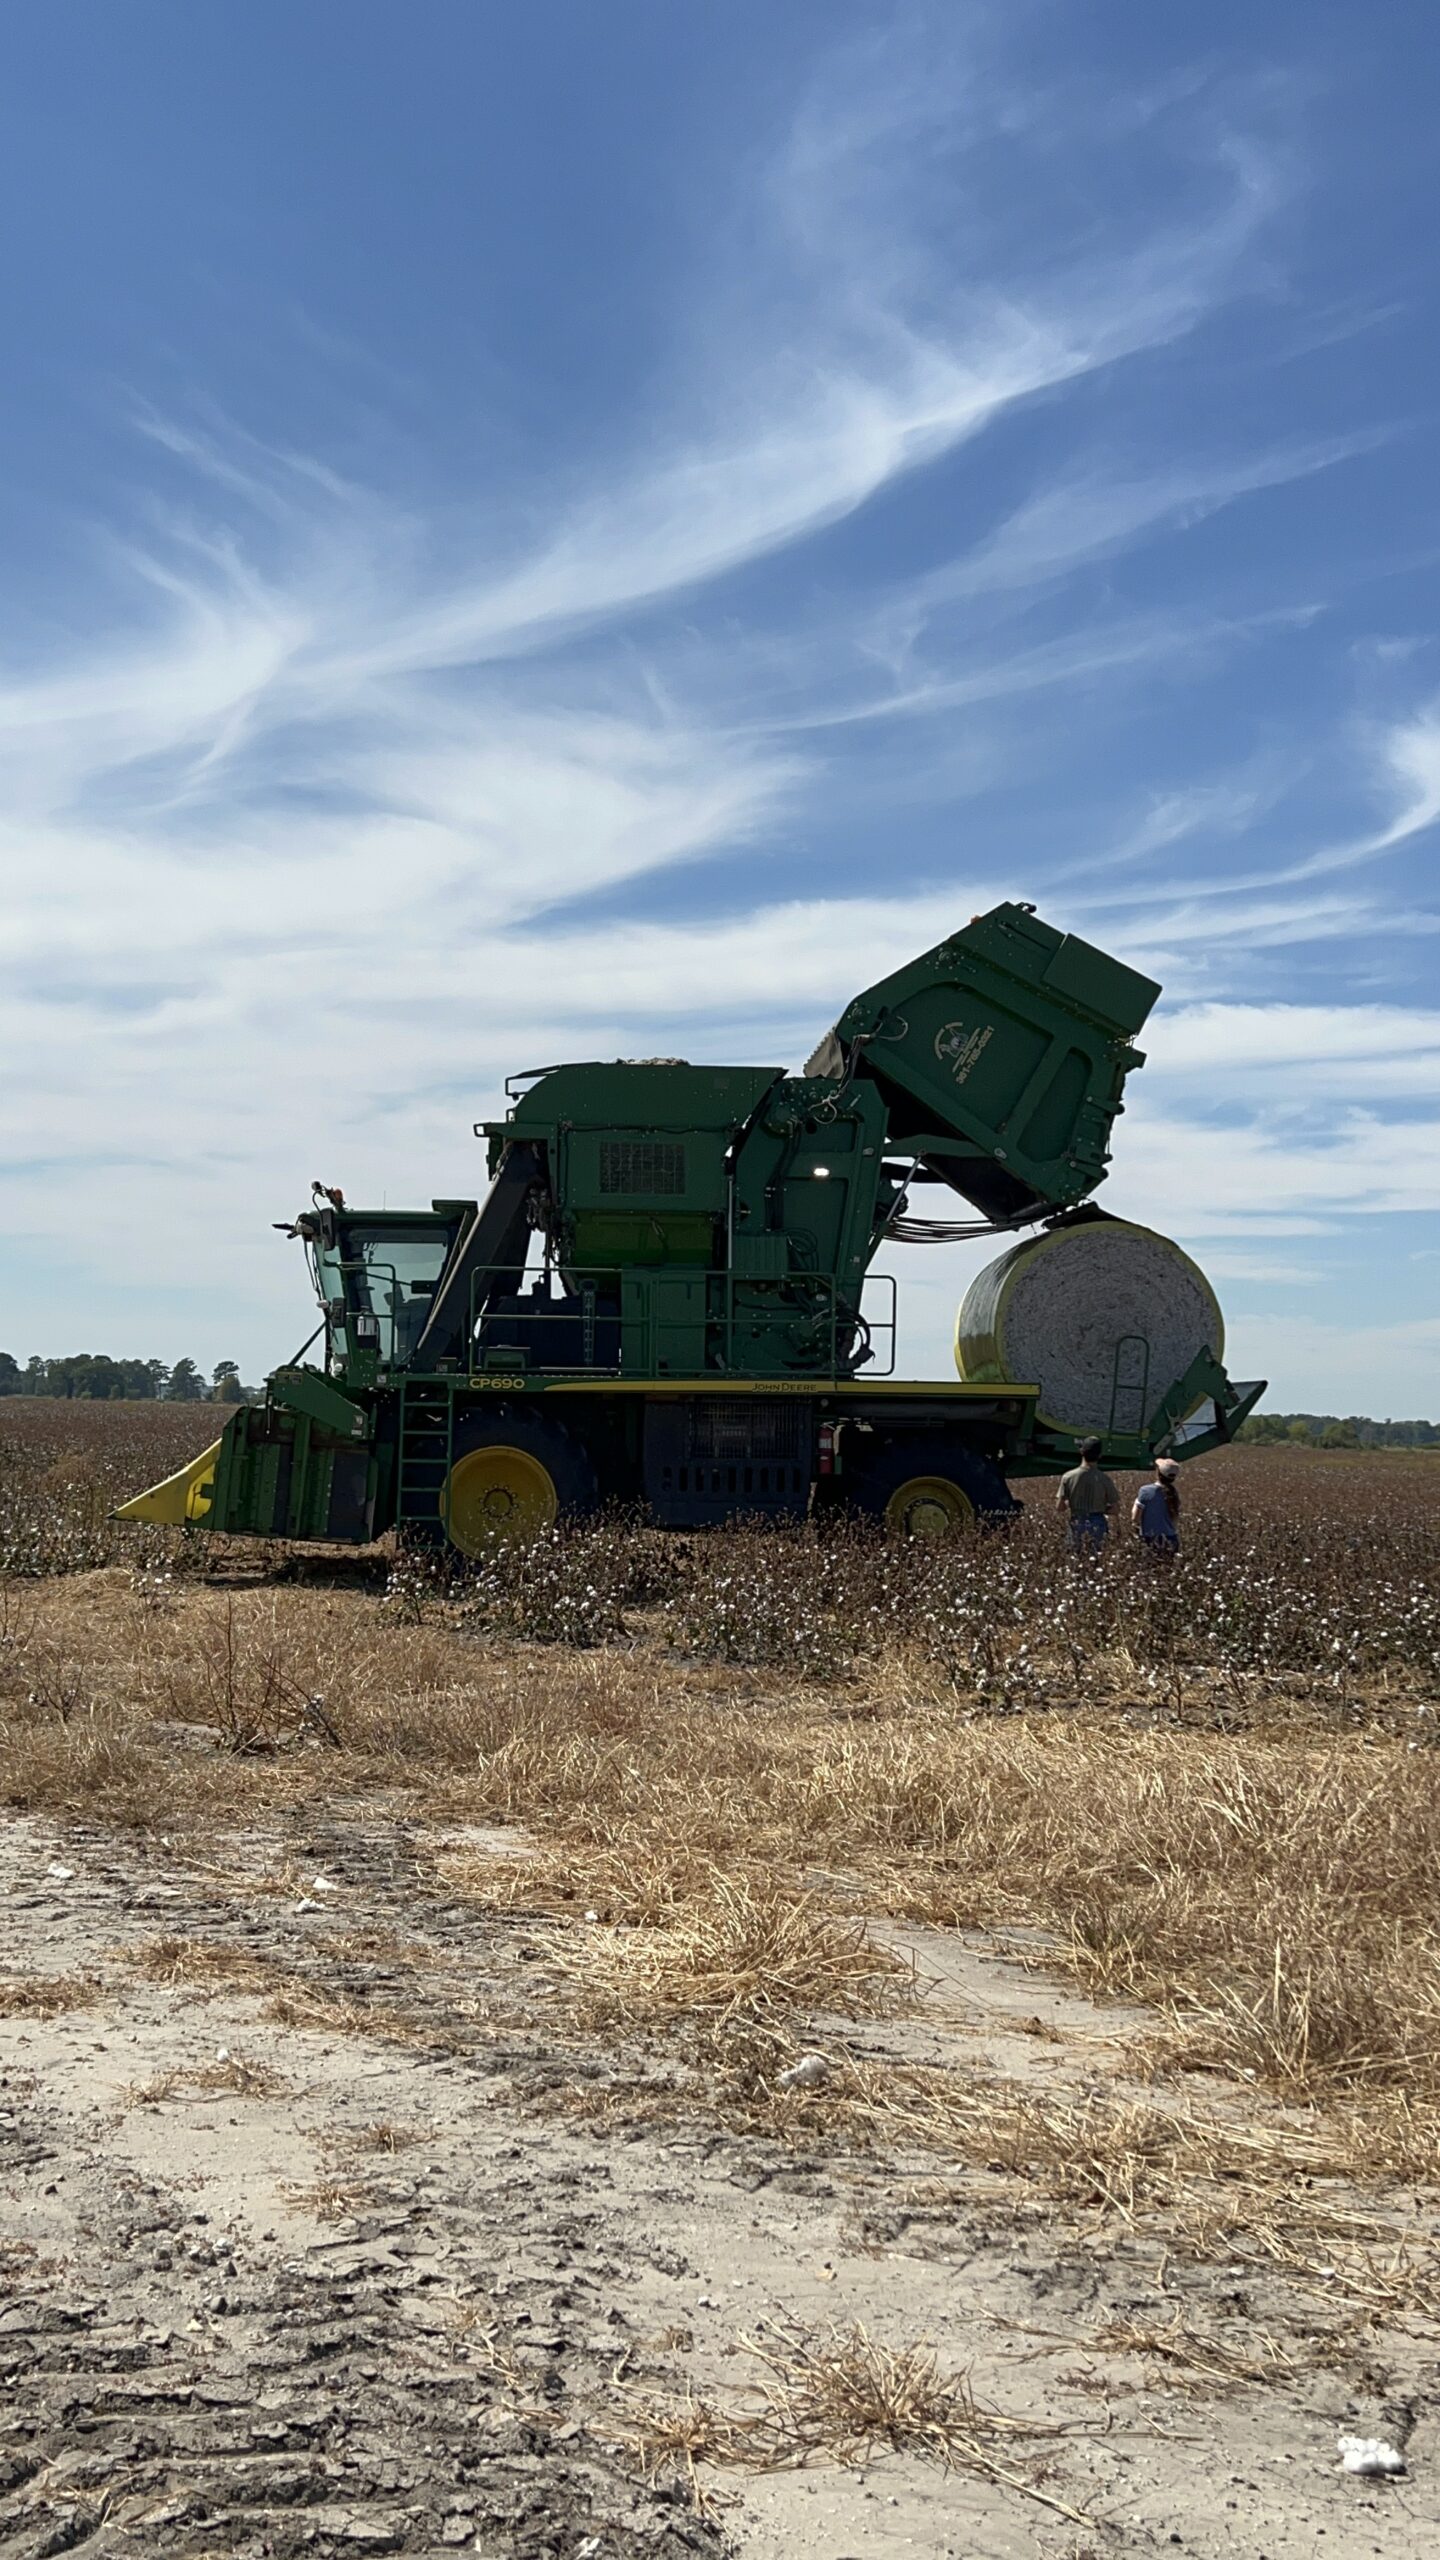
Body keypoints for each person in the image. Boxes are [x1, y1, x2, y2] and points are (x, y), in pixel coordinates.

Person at [1056, 1436, 1118, 1556]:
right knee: (1097, 1559)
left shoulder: (1068, 1477)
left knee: (1074, 1559)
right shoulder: (1105, 1479)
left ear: (1081, 1452)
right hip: (1098, 1523)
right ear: (1100, 1455)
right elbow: (1115, 1509)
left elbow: (1060, 1507)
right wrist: (1100, 1507)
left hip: (1077, 1521)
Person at [1133, 1456, 1181, 1553]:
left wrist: (1135, 1503)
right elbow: (1175, 1520)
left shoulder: (1145, 1491)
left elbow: (1135, 1518)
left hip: (1150, 1539)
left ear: (1158, 1473)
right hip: (1171, 1538)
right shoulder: (1174, 1493)